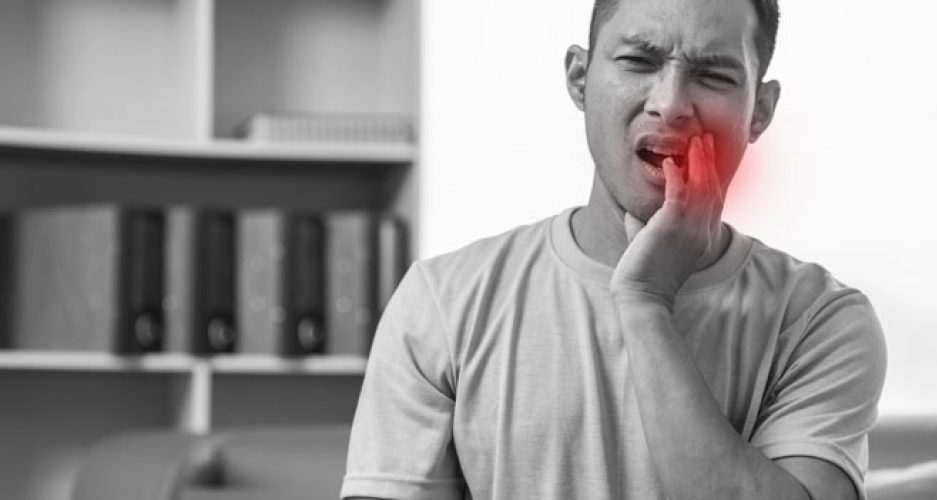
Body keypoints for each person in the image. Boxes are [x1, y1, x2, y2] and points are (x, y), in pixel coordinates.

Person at [341, 0, 887, 498]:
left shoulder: (822, 321)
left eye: (713, 74)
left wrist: (646, 301)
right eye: (639, 62)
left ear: (760, 111)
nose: (670, 105)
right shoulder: (442, 303)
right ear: (580, 78)